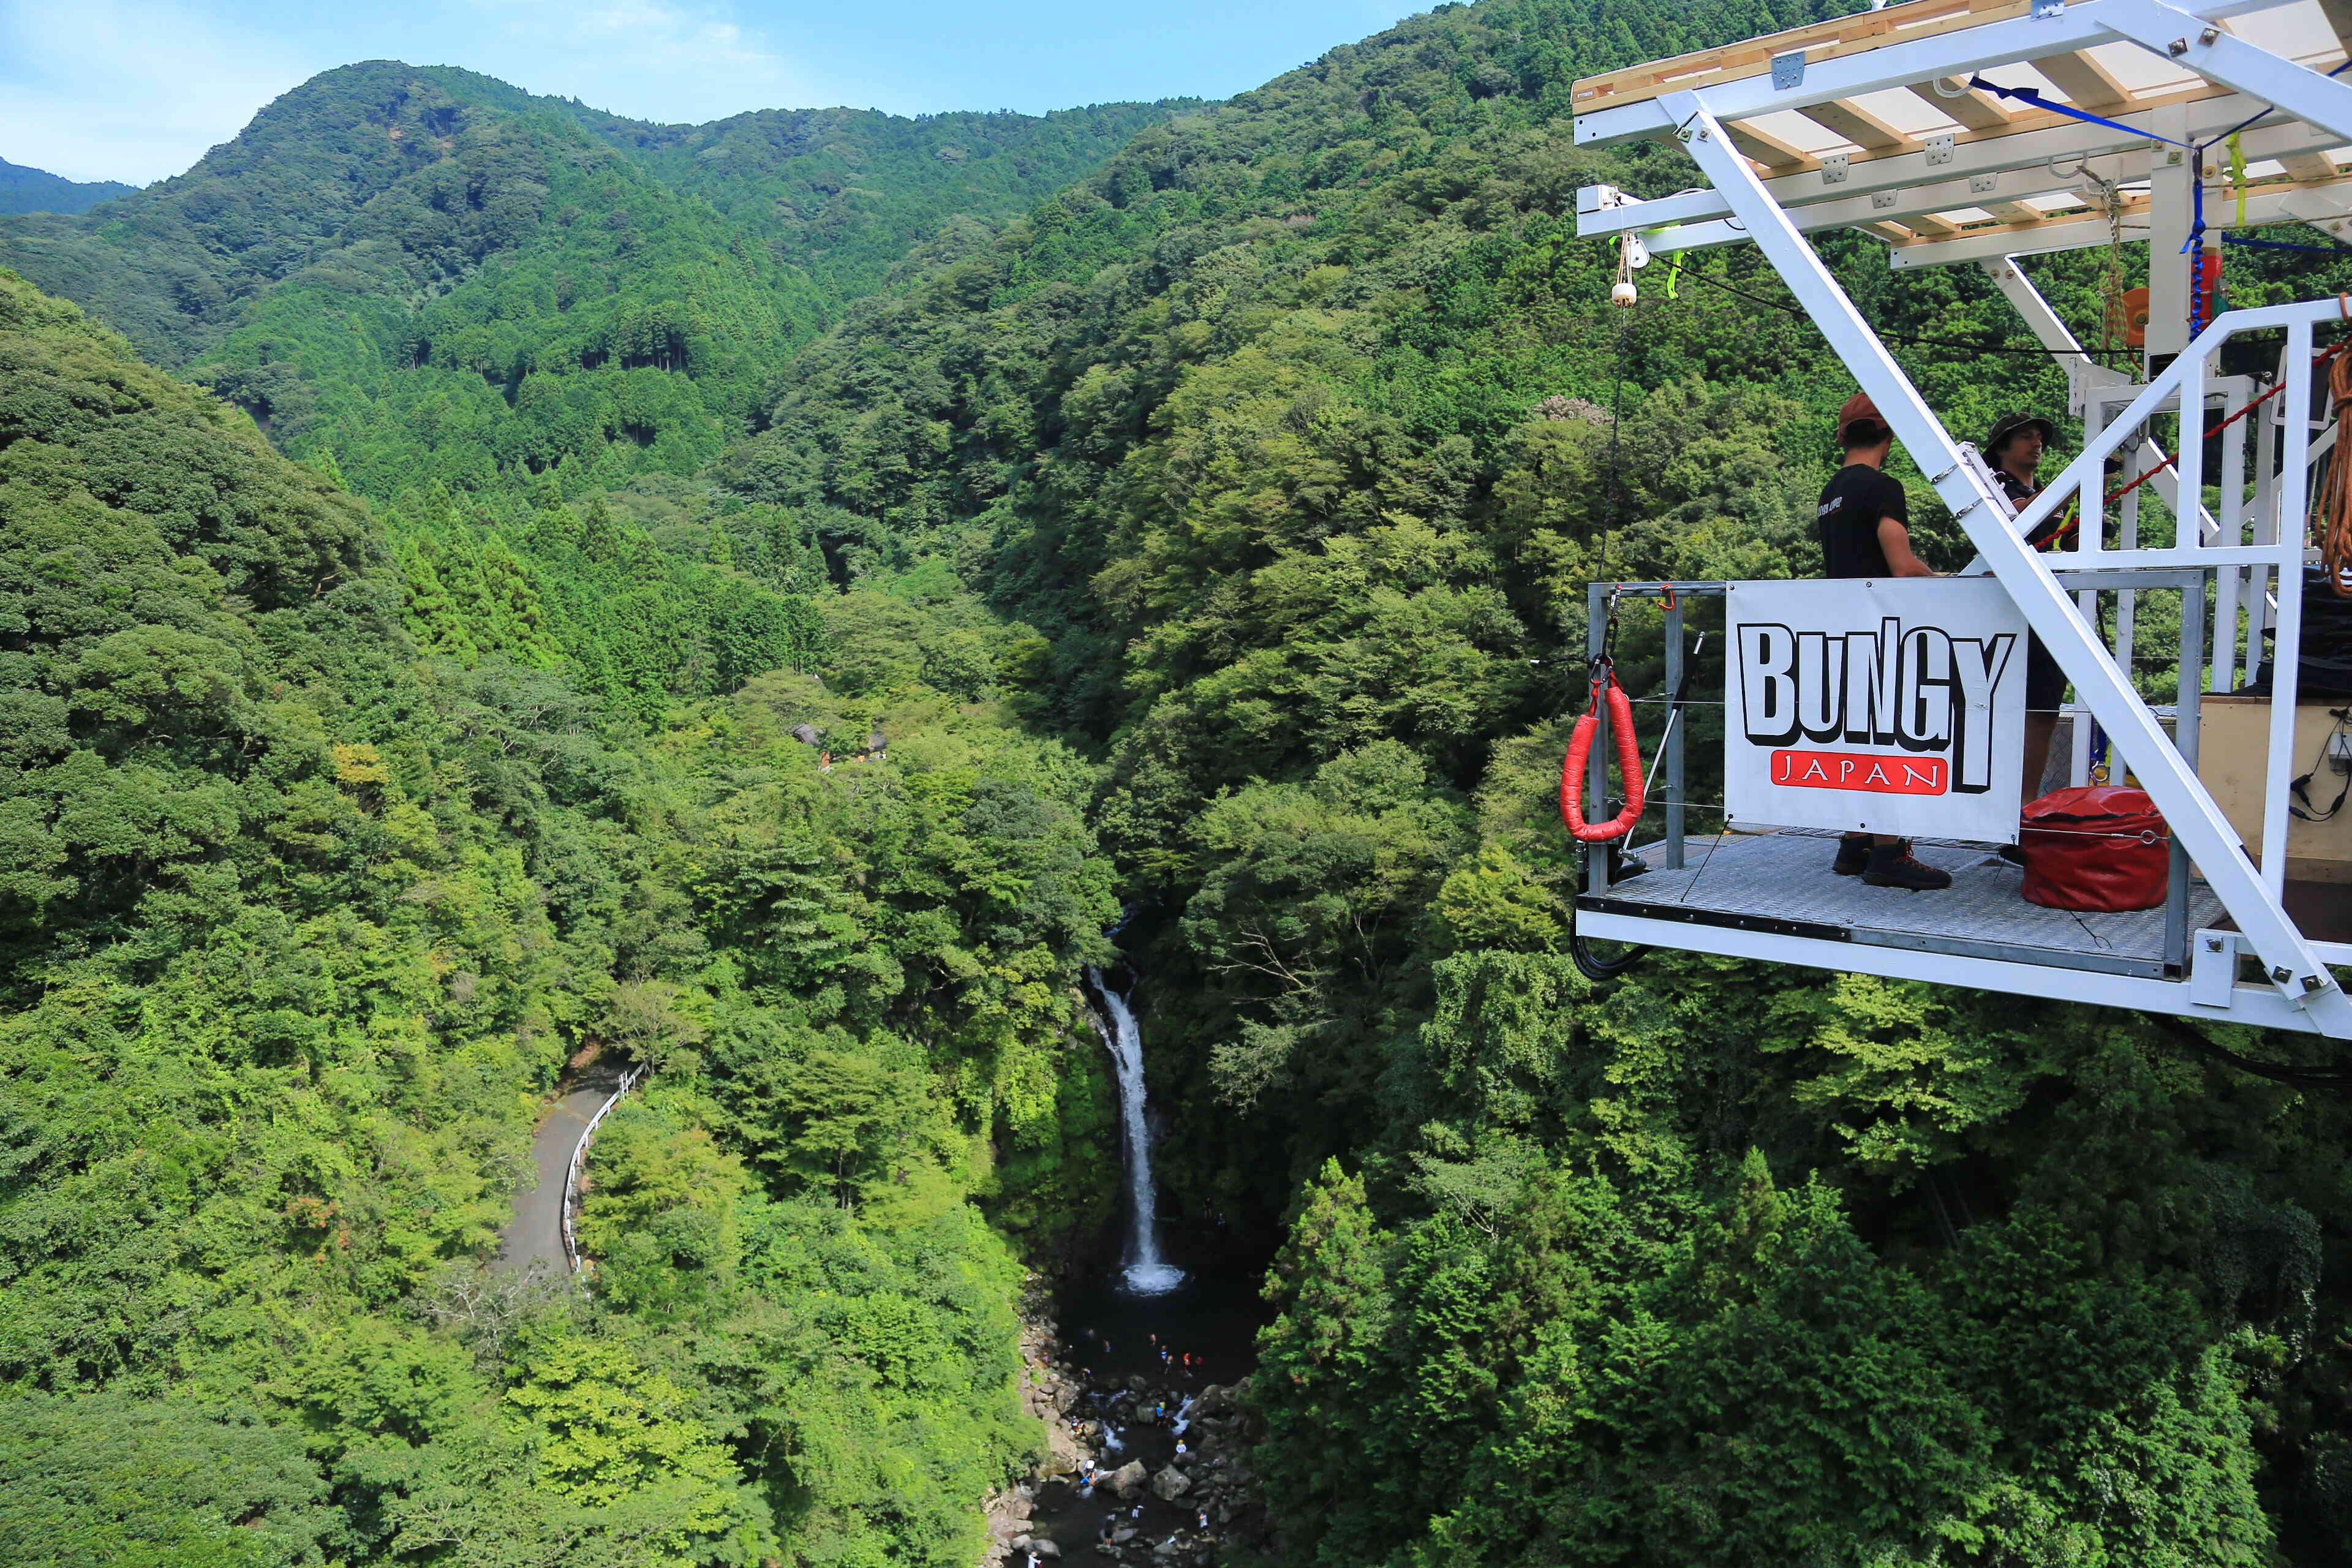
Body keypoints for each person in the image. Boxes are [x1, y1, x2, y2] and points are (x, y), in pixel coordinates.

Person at [1817, 393, 1953, 891]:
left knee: (1859, 733)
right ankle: (1889, 853)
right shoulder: (1882, 486)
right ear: (1889, 436)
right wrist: (1950, 584)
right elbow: (1900, 564)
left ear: (1841, 436)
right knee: (1889, 739)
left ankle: (1855, 843)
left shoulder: (1831, 491)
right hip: (1882, 628)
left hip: (1843, 627)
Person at [1984, 410, 2069, 829]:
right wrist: (2078, 486)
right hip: (2008, 608)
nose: (2036, 443)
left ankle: (2024, 806)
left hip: (2046, 607)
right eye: (2025, 437)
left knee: (2043, 709)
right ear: (2002, 448)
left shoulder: (2046, 497)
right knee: (2008, 708)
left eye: (2039, 437)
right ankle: (2008, 806)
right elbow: (2019, 521)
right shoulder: (1994, 487)